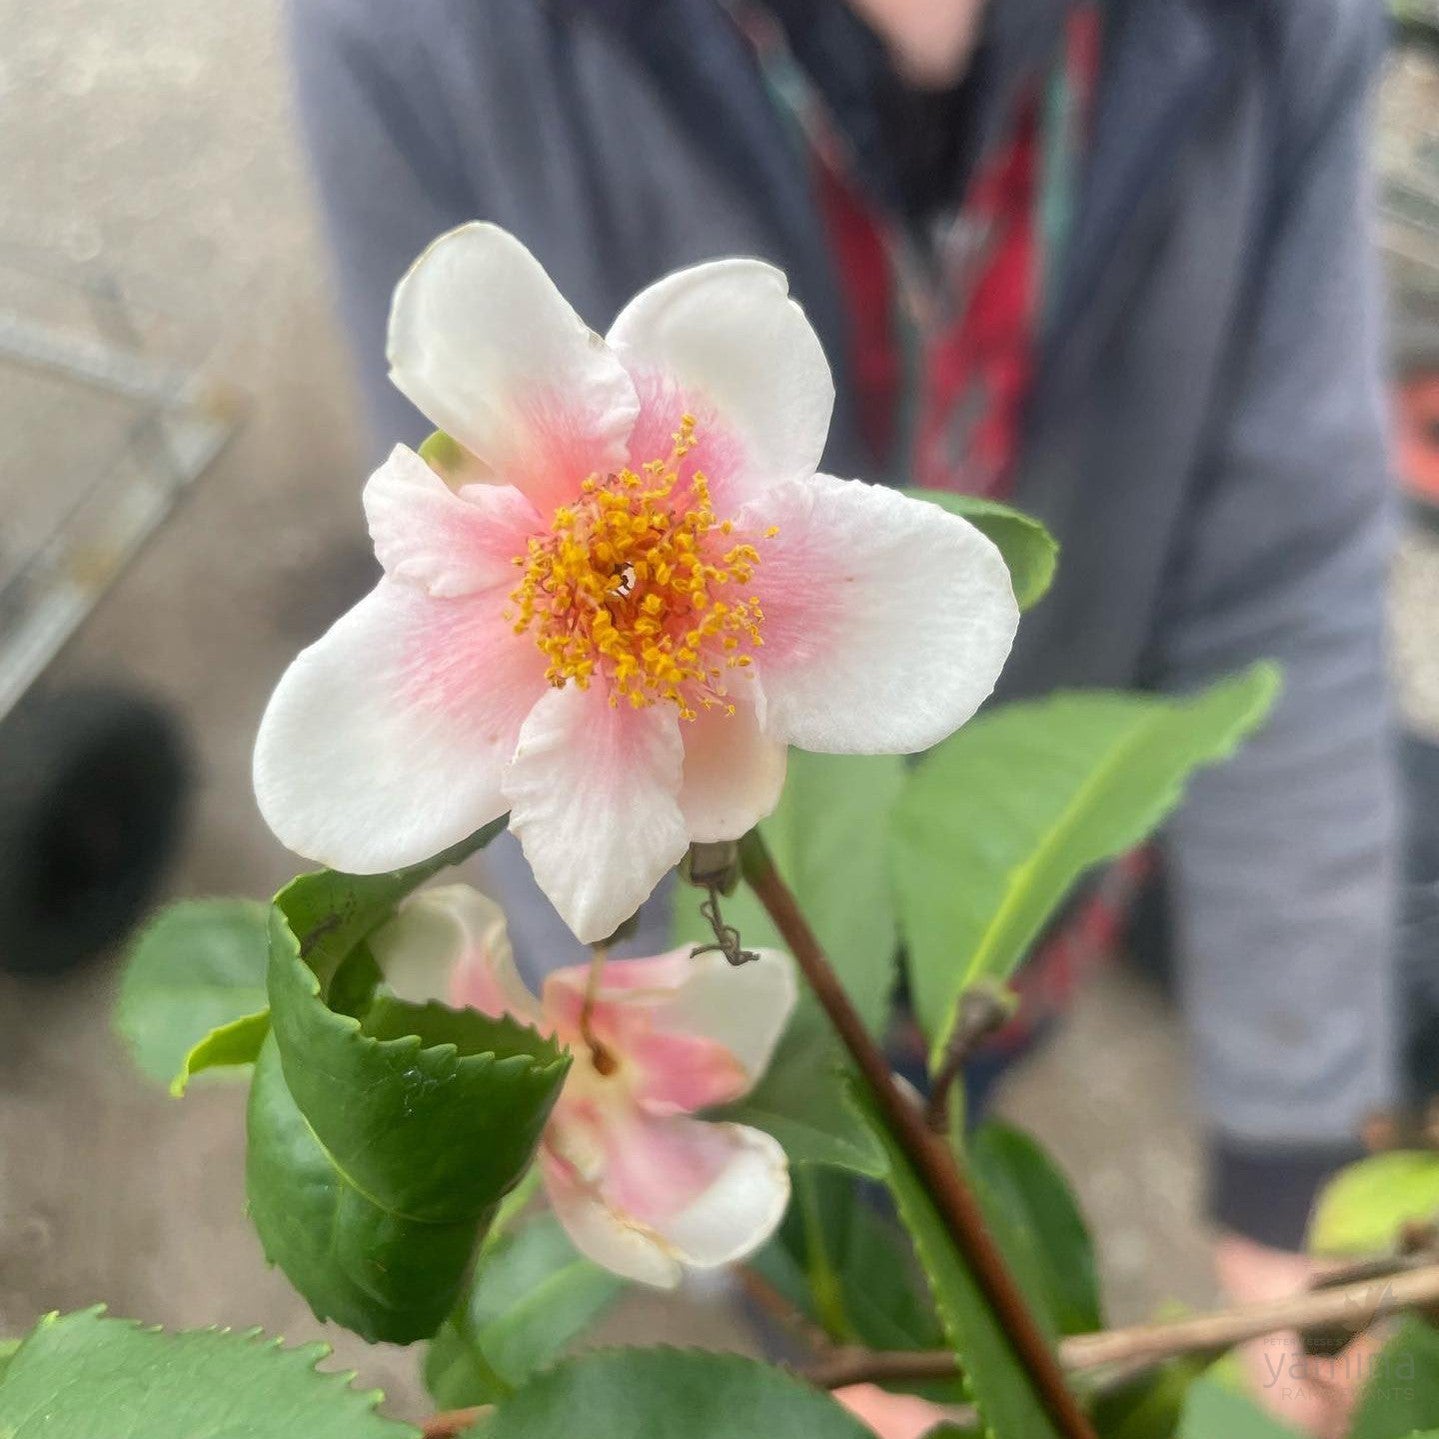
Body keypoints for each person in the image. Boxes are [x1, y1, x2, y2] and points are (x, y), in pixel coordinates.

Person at [285, 0, 1400, 1428]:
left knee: (943, 1130)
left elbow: (1283, 581)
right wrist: (660, 1102)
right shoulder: (410, 36)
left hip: (1015, 942)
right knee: (825, 1227)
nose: (631, 592)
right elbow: (491, 810)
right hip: (698, 1011)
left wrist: (1296, 1156)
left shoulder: (1282, 34)